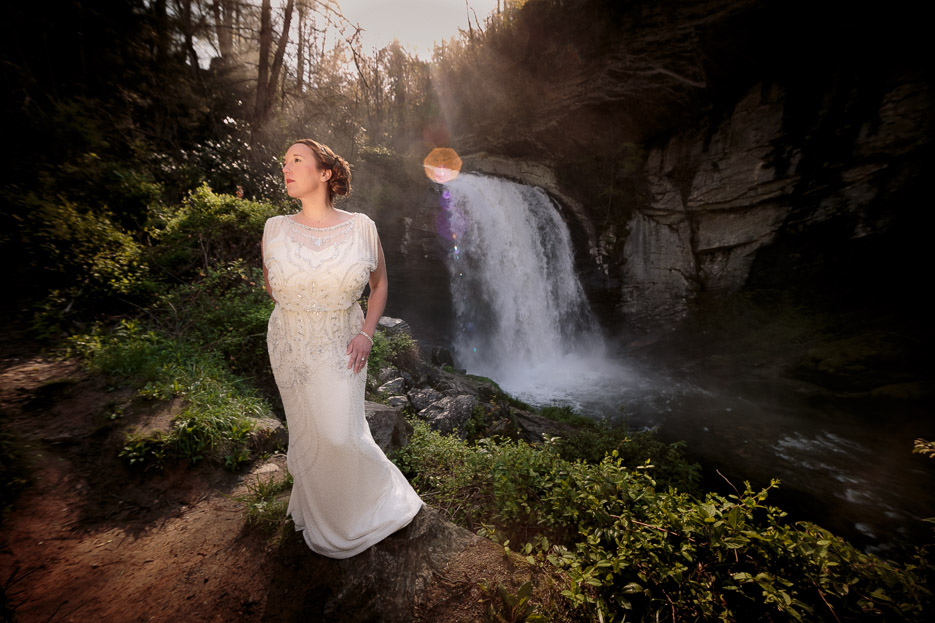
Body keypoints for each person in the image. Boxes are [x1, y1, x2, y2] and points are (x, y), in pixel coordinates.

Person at [261, 139, 423, 558]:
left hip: (343, 342)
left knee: (340, 434)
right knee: (308, 431)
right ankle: (317, 508)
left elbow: (380, 283)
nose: (286, 168)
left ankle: (366, 507)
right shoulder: (275, 227)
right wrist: (303, 304)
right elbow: (270, 286)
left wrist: (366, 332)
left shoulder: (361, 227)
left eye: (297, 160)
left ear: (325, 173)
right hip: (290, 344)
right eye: (284, 163)